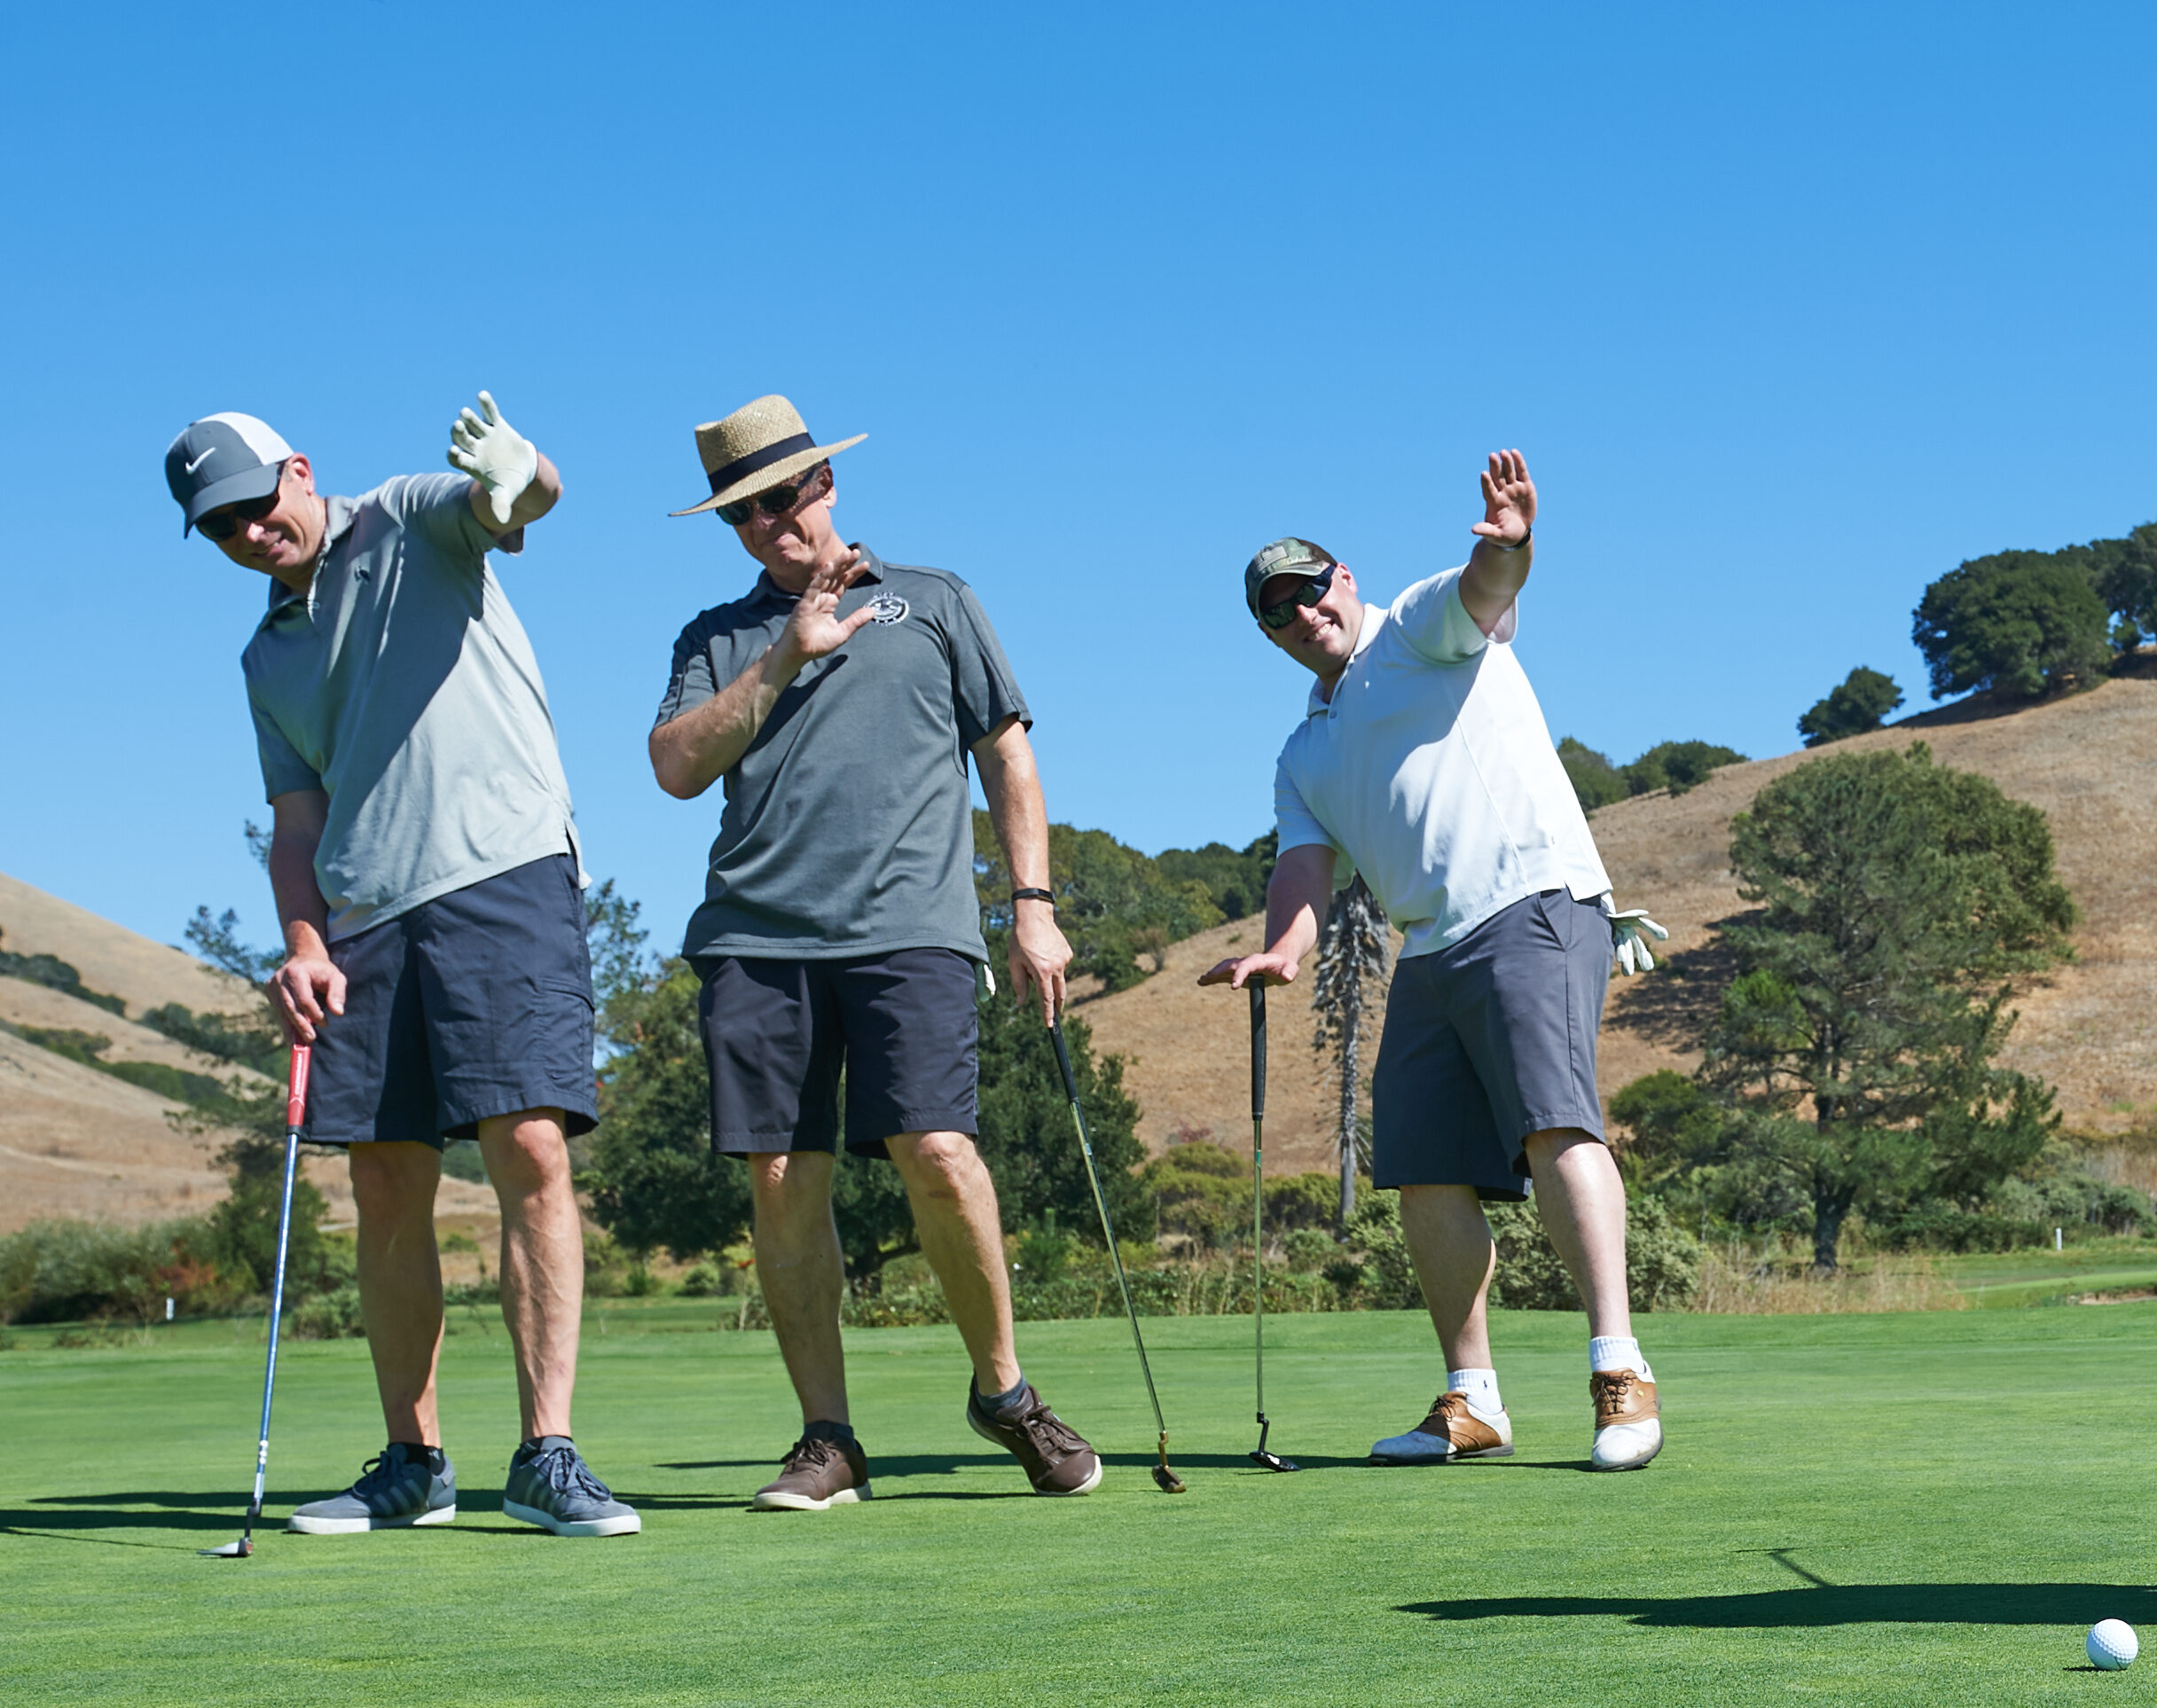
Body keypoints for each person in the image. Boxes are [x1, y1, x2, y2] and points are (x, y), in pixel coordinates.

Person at [175, 394, 640, 1540]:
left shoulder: (406, 518)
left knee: (527, 1142)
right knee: (382, 1181)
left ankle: (547, 1453)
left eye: (251, 502)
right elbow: (296, 823)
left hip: (503, 871)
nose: (246, 532)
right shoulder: (264, 656)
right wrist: (299, 940)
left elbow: (516, 506)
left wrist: (524, 469)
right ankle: (413, 1461)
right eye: (218, 525)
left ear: (298, 471)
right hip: (363, 912)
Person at [646, 395, 1097, 1509]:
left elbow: (1009, 757)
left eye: (785, 494)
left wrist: (1030, 904)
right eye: (745, 512)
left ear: (825, 484)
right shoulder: (716, 637)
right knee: (783, 1177)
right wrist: (785, 656)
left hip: (914, 930)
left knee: (937, 1152)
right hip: (757, 938)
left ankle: (1005, 1394)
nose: (772, 522)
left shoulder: (935, 601)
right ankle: (828, 1438)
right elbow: (673, 765)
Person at [1198, 451, 1671, 1471]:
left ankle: (1621, 1370)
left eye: (1312, 590)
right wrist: (1281, 950)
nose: (1304, 615)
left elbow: (1485, 592)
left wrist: (1512, 547)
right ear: (1270, 635)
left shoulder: (1416, 625)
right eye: (1279, 611)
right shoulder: (1301, 752)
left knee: (1555, 1128)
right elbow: (1305, 869)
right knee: (1422, 1174)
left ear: (1347, 583)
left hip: (1533, 901)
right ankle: (1474, 1399)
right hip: (1435, 945)